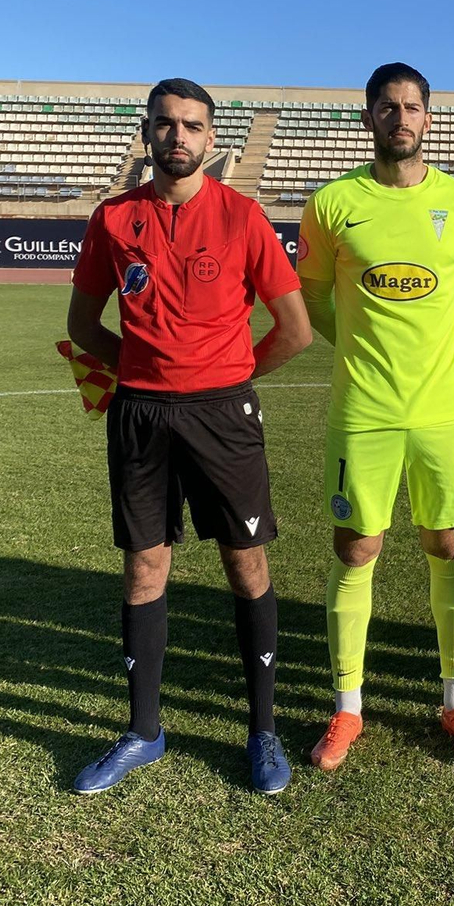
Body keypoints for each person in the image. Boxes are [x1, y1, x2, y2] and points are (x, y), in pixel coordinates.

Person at [66, 78, 313, 794]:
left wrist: (227, 378)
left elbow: (294, 329)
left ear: (212, 140)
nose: (178, 136)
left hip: (222, 415)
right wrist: (146, 372)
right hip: (141, 415)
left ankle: (262, 730)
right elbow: (84, 327)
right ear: (147, 132)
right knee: (145, 567)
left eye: (193, 126)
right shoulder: (113, 220)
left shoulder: (243, 217)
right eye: (166, 124)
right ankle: (144, 732)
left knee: (247, 565)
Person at [296, 62, 454, 771]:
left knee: (447, 547)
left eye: (412, 107)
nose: (401, 118)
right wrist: (364, 350)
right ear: (368, 120)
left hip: (444, 412)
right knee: (356, 548)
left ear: (428, 118)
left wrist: (445, 354)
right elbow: (317, 302)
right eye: (387, 108)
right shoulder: (331, 205)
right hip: (364, 410)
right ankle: (347, 709)